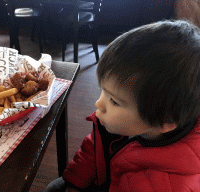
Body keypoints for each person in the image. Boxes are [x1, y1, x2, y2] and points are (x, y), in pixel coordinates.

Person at [44, 19, 200, 192]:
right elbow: (94, 147)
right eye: (103, 91)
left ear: (166, 121)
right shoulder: (122, 124)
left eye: (114, 101)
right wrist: (75, 182)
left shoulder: (160, 185)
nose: (99, 104)